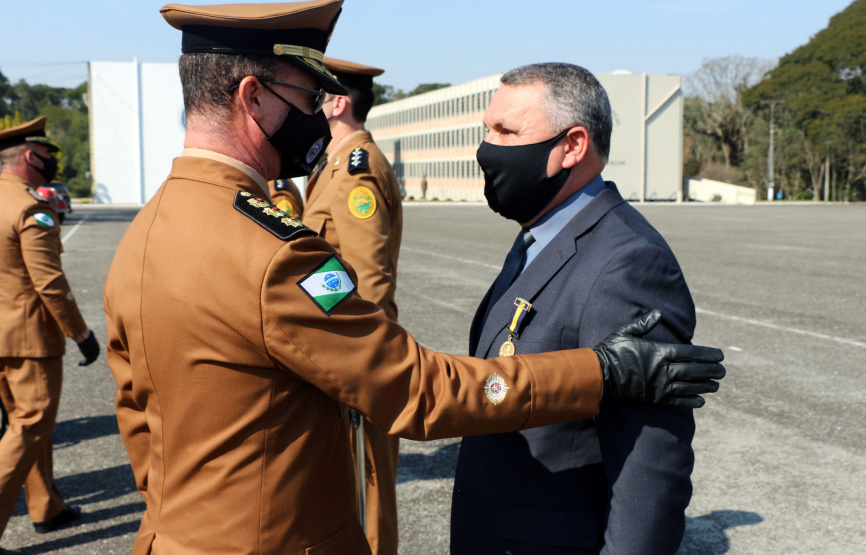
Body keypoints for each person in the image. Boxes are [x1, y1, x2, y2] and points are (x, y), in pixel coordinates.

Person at [104, 3, 725, 552]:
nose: (317, 118)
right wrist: (603, 371)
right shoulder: (274, 253)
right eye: (302, 99)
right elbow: (417, 390)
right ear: (252, 97)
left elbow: (135, 407)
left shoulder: (148, 228)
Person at [450, 63, 708, 555]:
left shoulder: (628, 264)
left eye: (507, 131)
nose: (487, 148)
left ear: (572, 146)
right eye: (487, 130)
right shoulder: (539, 237)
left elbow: (649, 469)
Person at [302, 56, 401, 555]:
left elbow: (370, 278)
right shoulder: (332, 165)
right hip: (335, 347)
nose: (306, 107)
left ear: (338, 103)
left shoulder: (356, 171)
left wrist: (367, 363)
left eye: (314, 98)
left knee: (369, 488)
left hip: (359, 353)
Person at [0, 117, 100, 540]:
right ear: (29, 156)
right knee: (30, 426)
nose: (50, 164)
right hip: (28, 339)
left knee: (25, 423)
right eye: (46, 156)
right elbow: (49, 283)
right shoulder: (29, 207)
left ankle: (47, 507)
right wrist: (81, 333)